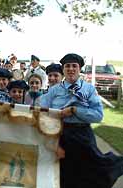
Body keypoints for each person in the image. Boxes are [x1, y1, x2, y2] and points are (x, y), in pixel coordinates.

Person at [40, 53, 123, 188]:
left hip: (83, 136)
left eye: (74, 66)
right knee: (65, 175)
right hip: (62, 134)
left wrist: (75, 110)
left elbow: (97, 115)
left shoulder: (89, 89)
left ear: (79, 69)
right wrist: (55, 144)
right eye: (67, 66)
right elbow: (43, 116)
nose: (71, 69)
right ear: (63, 69)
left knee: (90, 174)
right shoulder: (53, 91)